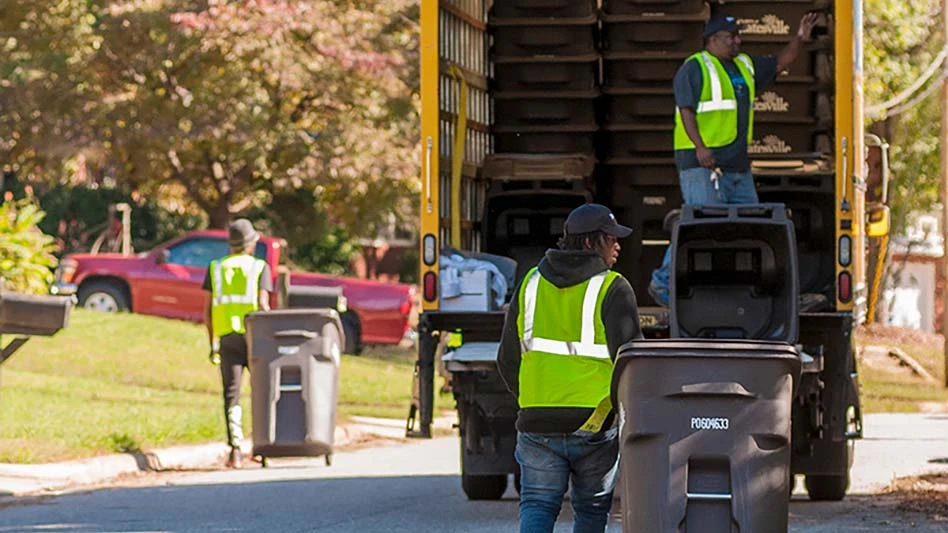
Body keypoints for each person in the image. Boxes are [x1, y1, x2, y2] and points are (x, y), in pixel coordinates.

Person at [648, 12, 823, 307]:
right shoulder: (695, 67)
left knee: (759, 229)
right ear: (713, 40)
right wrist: (700, 147)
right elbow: (686, 111)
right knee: (699, 227)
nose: (737, 41)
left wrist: (800, 39)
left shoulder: (743, 66)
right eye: (731, 37)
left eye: (737, 36)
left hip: (736, 168)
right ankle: (663, 283)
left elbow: (781, 61)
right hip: (702, 165)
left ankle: (781, 296)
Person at [496, 203, 643, 533]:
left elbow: (506, 359)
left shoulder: (530, 283)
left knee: (537, 504)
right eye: (611, 238)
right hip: (595, 424)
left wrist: (532, 400)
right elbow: (633, 363)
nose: (618, 245)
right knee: (591, 509)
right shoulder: (613, 287)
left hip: (536, 421)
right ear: (591, 243)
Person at [203, 218, 272, 468]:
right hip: (255, 338)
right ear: (251, 244)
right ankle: (263, 446)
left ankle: (235, 451)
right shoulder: (259, 267)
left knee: (231, 394)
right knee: (262, 392)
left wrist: (213, 343)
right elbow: (263, 304)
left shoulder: (216, 268)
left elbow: (208, 311)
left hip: (226, 338)